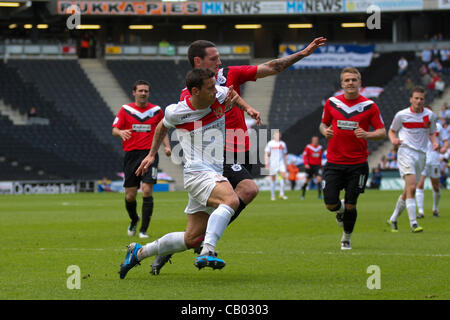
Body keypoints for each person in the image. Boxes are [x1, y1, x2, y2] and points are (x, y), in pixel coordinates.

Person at [148, 36, 327, 274]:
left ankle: (188, 243)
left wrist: (302, 54)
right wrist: (163, 149)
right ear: (198, 62)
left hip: (242, 147)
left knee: (225, 205)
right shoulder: (191, 95)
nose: (220, 62)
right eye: (214, 59)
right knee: (247, 190)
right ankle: (204, 244)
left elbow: (271, 67)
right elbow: (175, 123)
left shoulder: (229, 75)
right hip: (217, 153)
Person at [118, 68, 261, 279]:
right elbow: (162, 126)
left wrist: (247, 108)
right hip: (197, 173)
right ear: (195, 91)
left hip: (213, 171)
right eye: (210, 87)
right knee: (230, 200)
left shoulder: (219, 94)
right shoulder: (177, 111)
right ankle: (208, 251)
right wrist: (151, 154)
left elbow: (231, 94)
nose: (216, 90)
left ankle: (138, 253)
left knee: (191, 238)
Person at [319, 67, 386, 250]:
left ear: (359, 82)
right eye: (347, 80)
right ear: (342, 83)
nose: (350, 83)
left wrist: (367, 134)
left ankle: (346, 238)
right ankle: (338, 211)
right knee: (330, 204)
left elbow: (382, 132)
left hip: (357, 164)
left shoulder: (370, 106)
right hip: (333, 162)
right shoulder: (332, 103)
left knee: (351, 204)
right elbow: (323, 124)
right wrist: (325, 131)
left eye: (354, 80)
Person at [112, 80, 171, 239]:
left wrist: (166, 146)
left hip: (149, 155)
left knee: (146, 190)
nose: (143, 93)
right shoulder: (126, 110)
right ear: (134, 92)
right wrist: (121, 133)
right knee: (130, 196)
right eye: (140, 90)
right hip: (131, 155)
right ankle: (134, 219)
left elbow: (163, 130)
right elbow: (115, 129)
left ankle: (144, 230)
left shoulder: (157, 110)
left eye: (146, 91)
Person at [387, 86, 438, 233]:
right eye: (416, 98)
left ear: (424, 100)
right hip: (406, 152)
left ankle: (394, 218)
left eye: (421, 99)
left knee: (407, 190)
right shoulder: (401, 115)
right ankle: (413, 223)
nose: (419, 101)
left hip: (421, 155)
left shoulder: (430, 116)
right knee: (413, 187)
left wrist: (434, 142)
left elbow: (432, 132)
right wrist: (394, 140)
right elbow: (391, 131)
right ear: (411, 99)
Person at [415, 119, 448, 218]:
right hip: (422, 159)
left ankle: (435, 209)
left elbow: (446, 141)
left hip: (434, 160)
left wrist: (443, 148)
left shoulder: (438, 127)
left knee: (436, 186)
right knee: (420, 184)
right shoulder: (418, 126)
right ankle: (420, 212)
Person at [264, 131, 288, 200]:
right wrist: (266, 163)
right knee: (273, 179)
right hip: (273, 163)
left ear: (280, 135)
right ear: (274, 135)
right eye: (276, 134)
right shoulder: (270, 143)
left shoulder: (283, 144)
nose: (277, 136)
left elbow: (284, 155)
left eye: (279, 134)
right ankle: (273, 195)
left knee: (282, 177)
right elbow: (266, 154)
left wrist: (286, 165)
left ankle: (281, 194)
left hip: (281, 163)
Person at [301, 136, 324, 200]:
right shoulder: (308, 147)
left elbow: (320, 157)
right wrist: (306, 164)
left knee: (319, 179)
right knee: (307, 181)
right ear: (312, 140)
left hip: (317, 166)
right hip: (310, 166)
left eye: (316, 140)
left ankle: (319, 195)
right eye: (314, 140)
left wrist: (321, 165)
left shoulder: (320, 148)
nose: (315, 141)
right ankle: (303, 195)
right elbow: (304, 156)